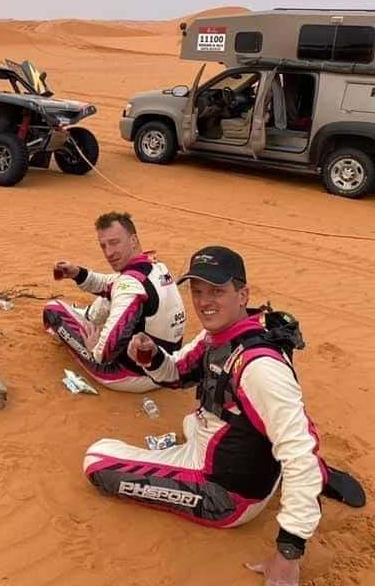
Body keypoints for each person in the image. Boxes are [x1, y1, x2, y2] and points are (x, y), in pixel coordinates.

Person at [83, 246, 365, 586]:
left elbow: (299, 450)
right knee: (192, 420)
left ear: (242, 294)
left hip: (226, 495)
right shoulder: (221, 335)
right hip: (236, 456)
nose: (204, 301)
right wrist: (151, 356)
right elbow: (177, 373)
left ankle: (303, 485)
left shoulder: (259, 367)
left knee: (97, 461)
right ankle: (302, 480)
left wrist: (289, 553)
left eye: (216, 291)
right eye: (197, 291)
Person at [42, 212, 186, 392]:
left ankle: (74, 328)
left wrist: (95, 349)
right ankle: (87, 317)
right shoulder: (156, 267)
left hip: (131, 375)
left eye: (114, 242)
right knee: (114, 295)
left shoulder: (129, 284)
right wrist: (77, 273)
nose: (108, 253)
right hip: (166, 366)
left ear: (133, 240)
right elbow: (109, 284)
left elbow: (105, 352)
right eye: (103, 246)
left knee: (52, 309)